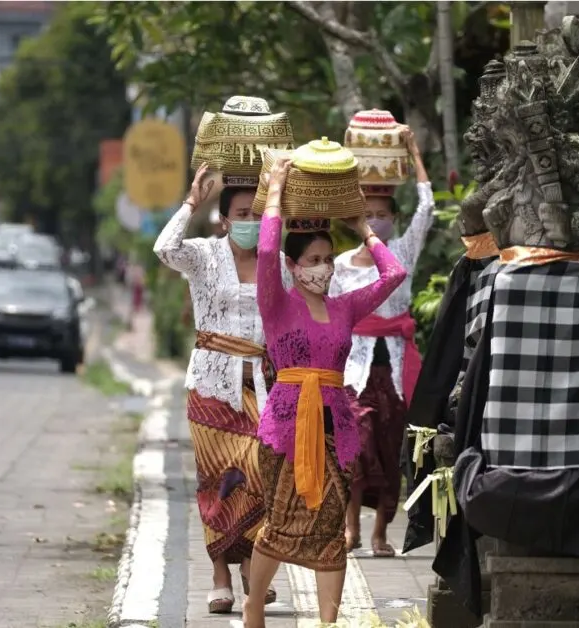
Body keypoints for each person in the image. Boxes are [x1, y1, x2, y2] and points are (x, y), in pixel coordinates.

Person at [243, 157, 408, 626]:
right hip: (285, 429)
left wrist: (364, 230)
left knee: (332, 529)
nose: (323, 268)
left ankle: (328, 620)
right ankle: (255, 604)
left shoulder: (344, 307)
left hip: (337, 427)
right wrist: (274, 190)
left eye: (327, 259)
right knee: (280, 522)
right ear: (292, 266)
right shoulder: (275, 303)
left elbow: (394, 276)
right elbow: (266, 249)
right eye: (312, 261)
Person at [153, 163, 292, 615]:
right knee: (216, 482)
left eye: (257, 213)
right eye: (241, 214)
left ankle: (252, 561)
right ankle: (219, 574)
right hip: (211, 385)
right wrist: (193, 200)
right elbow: (164, 247)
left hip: (262, 386)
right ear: (225, 218)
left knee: (257, 472)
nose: (250, 222)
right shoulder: (204, 255)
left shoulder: (276, 261)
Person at [328, 125, 434, 557]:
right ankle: (351, 527)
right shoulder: (338, 265)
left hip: (392, 370)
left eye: (383, 213)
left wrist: (412, 150)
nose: (377, 220)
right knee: (355, 448)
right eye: (367, 214)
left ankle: (380, 533)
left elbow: (427, 208)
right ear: (358, 221)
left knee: (391, 452)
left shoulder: (403, 254)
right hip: (353, 371)